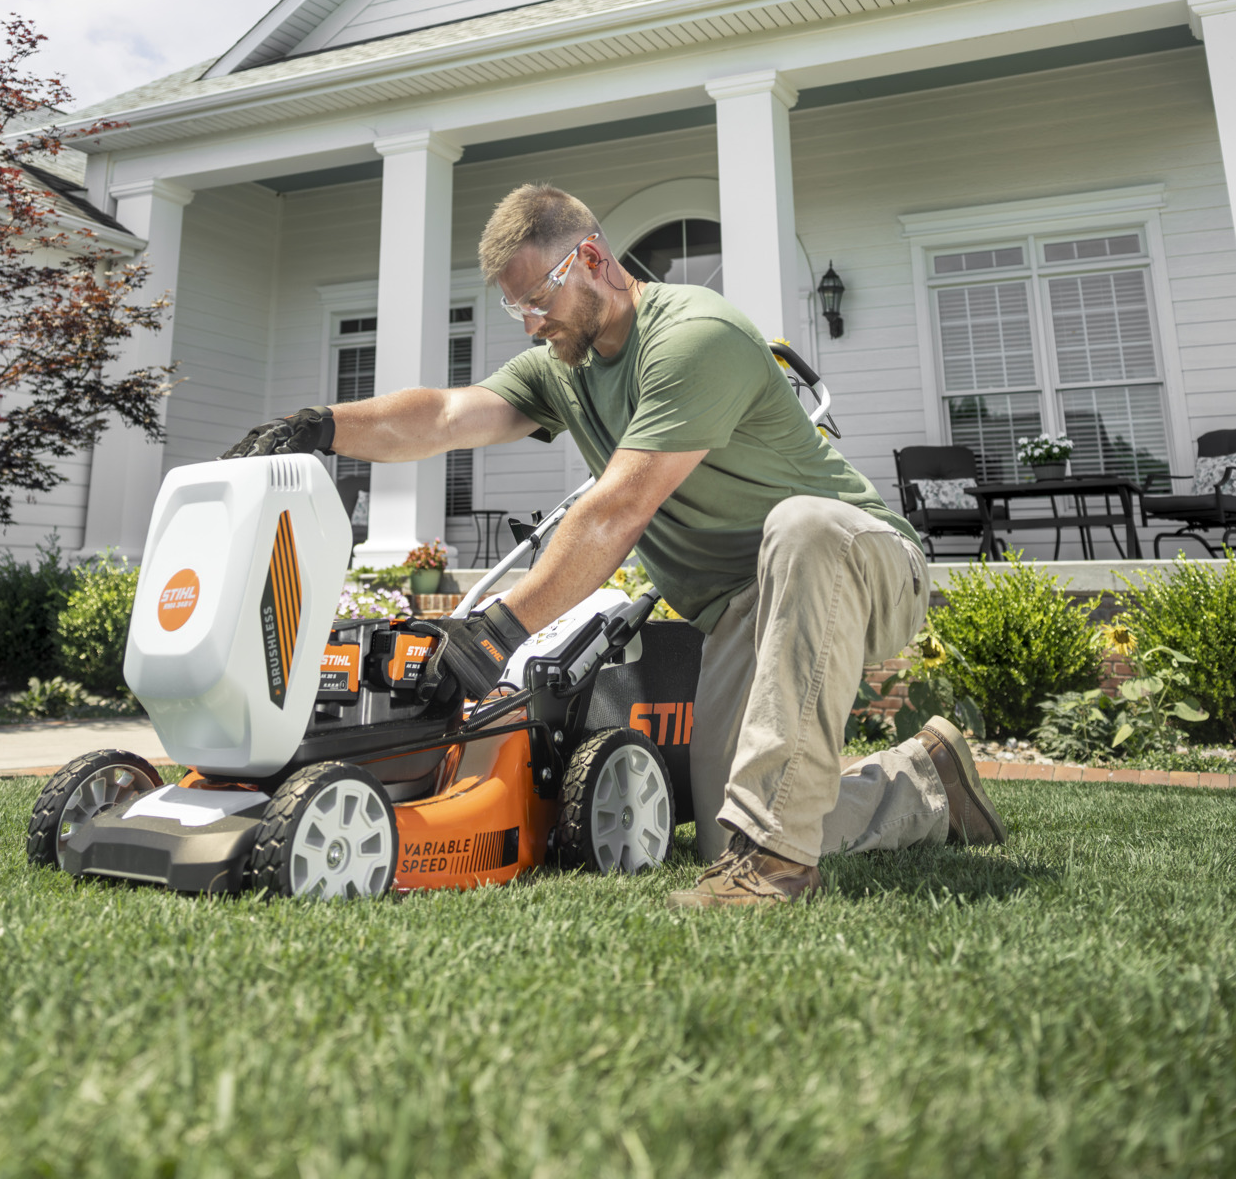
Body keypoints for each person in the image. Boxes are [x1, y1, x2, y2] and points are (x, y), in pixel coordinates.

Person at [224, 182, 1005, 906]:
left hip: (859, 565)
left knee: (798, 525)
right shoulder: (562, 367)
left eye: (538, 299)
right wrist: (320, 428)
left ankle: (776, 872)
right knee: (734, 815)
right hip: (741, 608)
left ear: (591, 261)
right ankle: (923, 781)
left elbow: (617, 510)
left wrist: (497, 631)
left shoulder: (694, 334)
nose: (532, 322)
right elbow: (444, 415)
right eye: (516, 310)